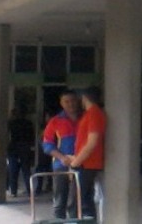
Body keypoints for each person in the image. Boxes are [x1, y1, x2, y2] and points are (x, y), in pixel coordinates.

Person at [69, 86, 107, 220]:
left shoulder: (94, 114)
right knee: (84, 201)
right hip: (85, 162)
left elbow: (92, 142)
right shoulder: (91, 114)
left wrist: (76, 162)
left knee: (78, 202)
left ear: (84, 98)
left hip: (87, 164)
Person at [42, 89, 80, 220]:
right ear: (61, 103)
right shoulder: (55, 121)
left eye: (73, 101)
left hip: (81, 163)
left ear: (78, 101)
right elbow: (47, 144)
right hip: (60, 165)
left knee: (76, 201)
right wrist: (62, 157)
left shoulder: (85, 118)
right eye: (67, 101)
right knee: (59, 200)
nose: (71, 104)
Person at [7, 106, 35, 198]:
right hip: (25, 147)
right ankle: (29, 191)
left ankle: (13, 191)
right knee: (26, 170)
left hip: (13, 147)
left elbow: (8, 135)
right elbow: (32, 136)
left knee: (13, 171)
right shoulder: (28, 123)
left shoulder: (11, 123)